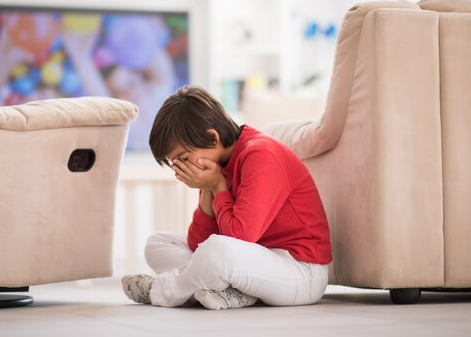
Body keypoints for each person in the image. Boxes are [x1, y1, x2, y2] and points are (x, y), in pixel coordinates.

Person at [122, 85, 332, 310]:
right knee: (158, 244)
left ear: (212, 138)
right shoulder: (216, 165)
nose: (180, 169)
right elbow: (197, 244)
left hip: (300, 271)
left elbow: (239, 237)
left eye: (183, 158)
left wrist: (217, 186)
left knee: (217, 251)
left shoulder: (261, 155)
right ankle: (233, 293)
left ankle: (162, 291)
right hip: (252, 263)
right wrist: (207, 191)